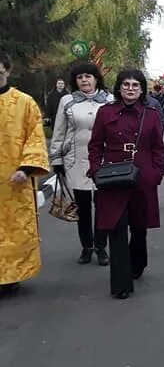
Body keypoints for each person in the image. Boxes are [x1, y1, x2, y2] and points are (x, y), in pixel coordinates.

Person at [87, 69, 164, 299]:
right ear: (119, 88)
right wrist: (95, 171)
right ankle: (121, 284)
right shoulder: (105, 113)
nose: (130, 89)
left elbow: (158, 148)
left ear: (142, 90)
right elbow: (95, 146)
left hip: (142, 176)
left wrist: (155, 175)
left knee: (139, 226)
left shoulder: (150, 114)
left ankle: (137, 263)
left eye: (135, 85)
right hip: (113, 177)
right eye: (126, 85)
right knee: (116, 228)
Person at [49, 61, 113, 266]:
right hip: (75, 160)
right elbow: (59, 131)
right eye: (80, 77)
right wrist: (56, 158)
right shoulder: (67, 101)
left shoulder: (109, 99)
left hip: (103, 160)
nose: (84, 80)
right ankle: (87, 247)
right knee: (83, 207)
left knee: (103, 206)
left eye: (88, 76)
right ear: (75, 81)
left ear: (96, 79)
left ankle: (101, 247)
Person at [0, 50, 51, 295]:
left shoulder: (24, 102)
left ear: (7, 71)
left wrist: (26, 167)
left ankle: (11, 277)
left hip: (14, 181)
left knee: (14, 230)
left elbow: (35, 137)